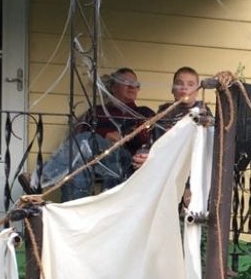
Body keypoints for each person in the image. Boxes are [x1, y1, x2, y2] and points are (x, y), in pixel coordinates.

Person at [23, 68, 154, 198]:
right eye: (126, 81)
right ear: (113, 87)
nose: (132, 86)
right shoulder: (97, 111)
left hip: (125, 162)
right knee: (76, 168)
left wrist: (126, 136)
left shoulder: (143, 113)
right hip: (96, 162)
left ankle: (38, 181)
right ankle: (75, 215)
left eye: (135, 84)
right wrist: (105, 135)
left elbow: (149, 139)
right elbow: (77, 136)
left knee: (86, 142)